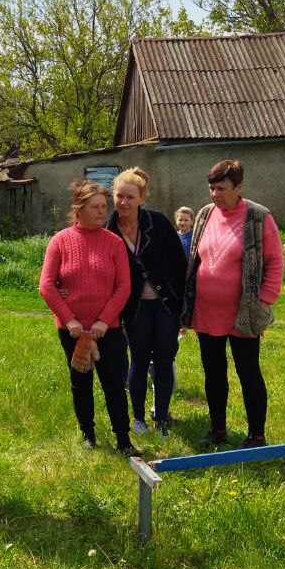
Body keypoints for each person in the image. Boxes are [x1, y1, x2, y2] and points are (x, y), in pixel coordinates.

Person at [180, 159, 284, 448]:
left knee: (248, 371)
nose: (215, 194)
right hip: (206, 311)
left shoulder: (259, 216)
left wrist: (265, 301)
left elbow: (275, 262)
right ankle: (218, 429)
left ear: (239, 187)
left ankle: (257, 435)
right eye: (211, 188)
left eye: (221, 188)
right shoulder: (205, 214)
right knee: (213, 373)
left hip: (244, 312)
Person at [39, 179, 136, 455]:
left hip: (108, 329)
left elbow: (123, 286)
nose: (102, 211)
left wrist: (104, 321)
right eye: (95, 206)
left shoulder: (114, 243)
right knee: (80, 382)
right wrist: (69, 319)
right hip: (72, 330)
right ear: (78, 208)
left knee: (114, 383)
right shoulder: (60, 241)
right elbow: (46, 285)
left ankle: (123, 439)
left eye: (104, 206)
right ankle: (87, 434)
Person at [104, 167, 187, 437]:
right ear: (113, 196)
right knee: (138, 360)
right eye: (119, 196)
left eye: (130, 197)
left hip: (166, 305)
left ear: (141, 198)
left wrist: (183, 308)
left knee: (164, 360)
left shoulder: (158, 222)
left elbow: (180, 264)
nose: (124, 202)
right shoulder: (109, 230)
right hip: (134, 308)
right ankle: (138, 418)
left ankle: (161, 417)